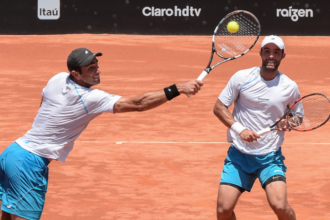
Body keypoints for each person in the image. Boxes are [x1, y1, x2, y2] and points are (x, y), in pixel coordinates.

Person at [0, 48, 203, 220]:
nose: (98, 70)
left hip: (13, 153)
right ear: (76, 74)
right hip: (29, 164)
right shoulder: (91, 98)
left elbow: (44, 102)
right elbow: (139, 104)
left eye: (96, 64)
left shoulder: (58, 78)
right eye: (91, 68)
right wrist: (177, 88)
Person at [214, 35, 300, 220]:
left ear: (282, 56)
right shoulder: (241, 77)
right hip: (239, 156)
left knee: (280, 206)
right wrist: (240, 130)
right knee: (223, 211)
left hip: (270, 158)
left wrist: (290, 122)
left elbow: (298, 118)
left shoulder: (290, 87)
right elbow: (219, 107)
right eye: (267, 51)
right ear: (260, 53)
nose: (271, 56)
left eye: (276, 52)